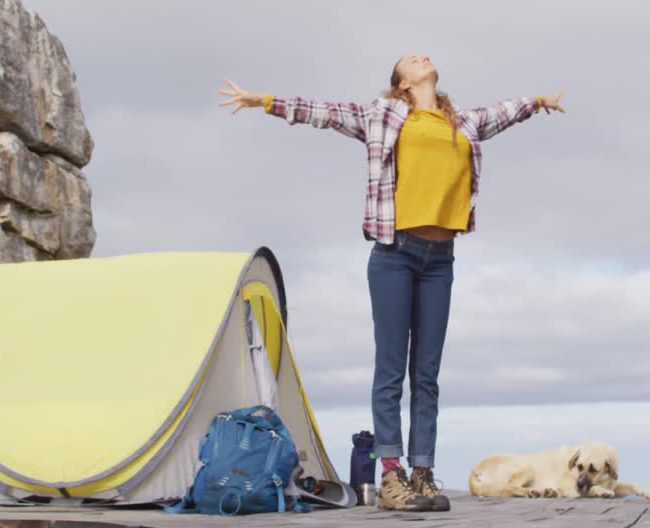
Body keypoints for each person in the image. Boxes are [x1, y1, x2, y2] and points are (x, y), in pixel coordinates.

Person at [219, 56, 565, 512]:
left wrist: (538, 102)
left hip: (441, 260)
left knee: (427, 374)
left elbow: (504, 112)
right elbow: (322, 112)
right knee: (391, 370)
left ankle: (422, 473)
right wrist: (262, 100)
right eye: (413, 60)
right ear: (403, 83)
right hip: (395, 255)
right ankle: (390, 476)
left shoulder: (463, 122)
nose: (424, 58)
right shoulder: (383, 115)